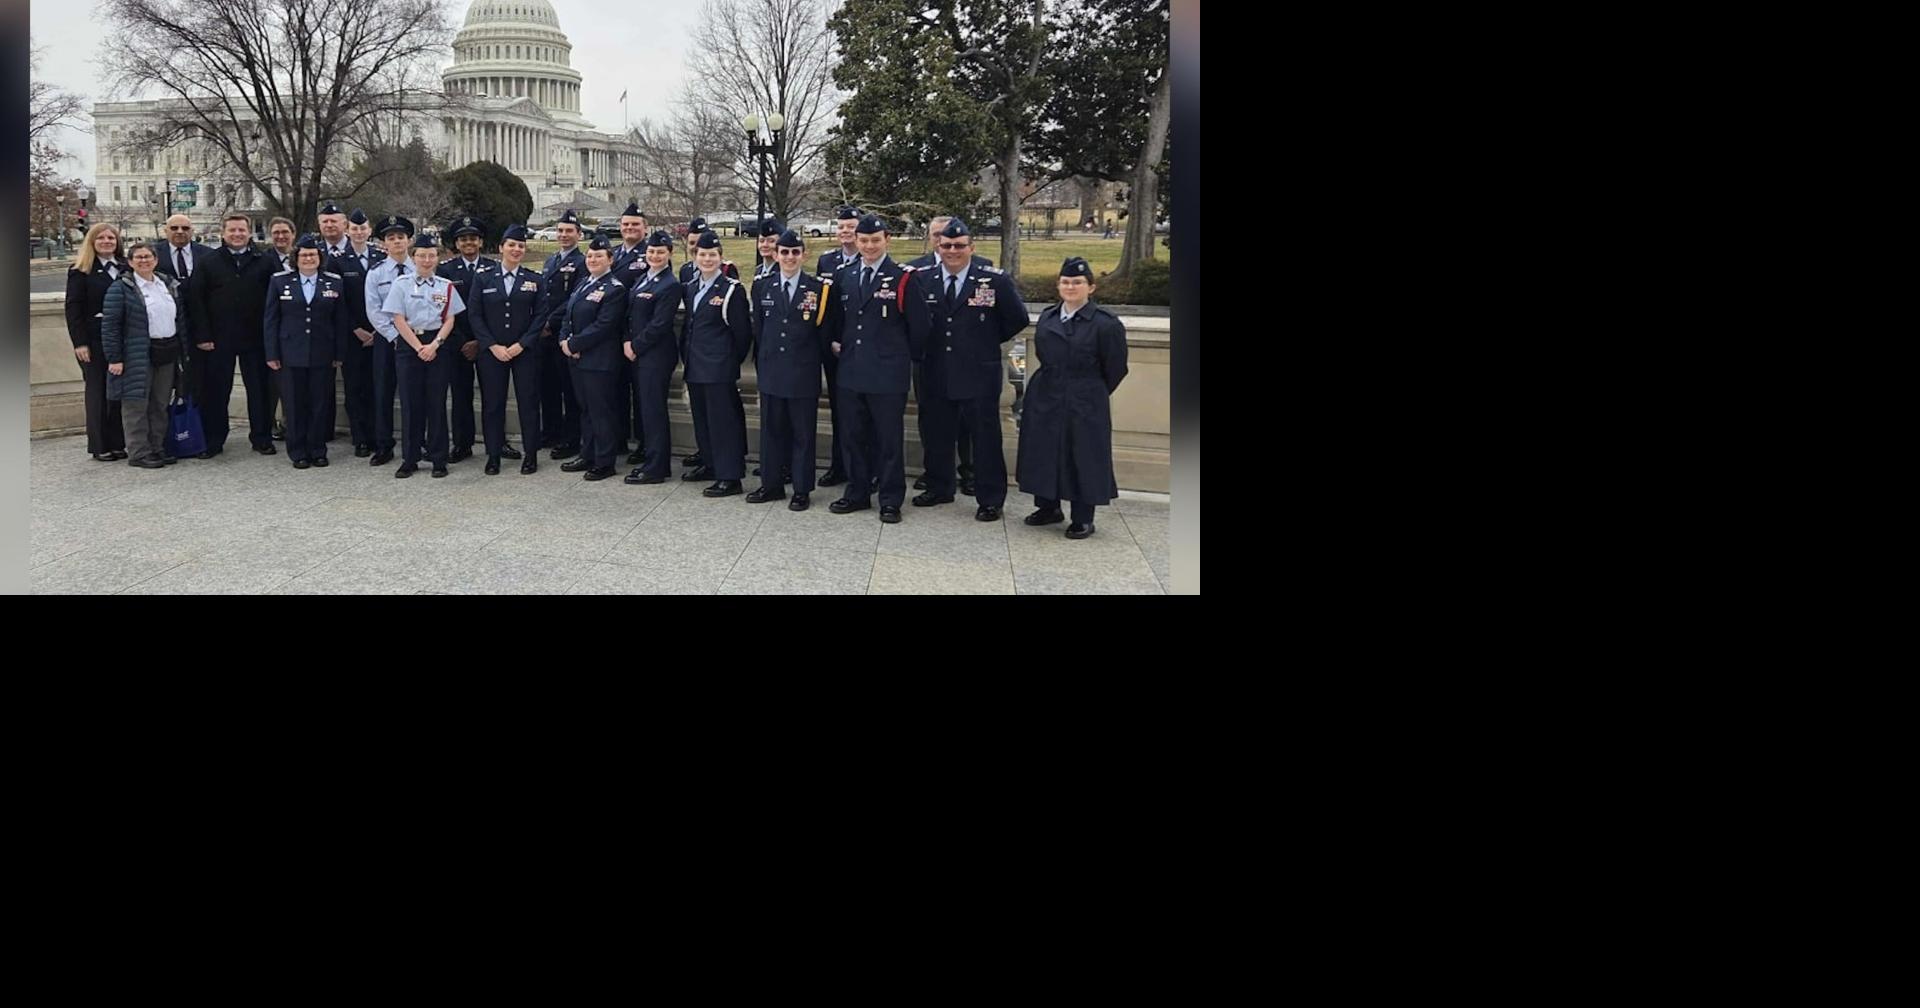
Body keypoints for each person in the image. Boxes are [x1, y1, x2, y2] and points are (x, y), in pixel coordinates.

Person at [912, 218, 1027, 521]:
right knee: (936, 433)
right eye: (947, 245)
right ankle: (939, 487)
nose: (952, 250)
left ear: (971, 248)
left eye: (959, 246)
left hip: (978, 371)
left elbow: (1016, 319)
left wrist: (984, 341)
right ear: (938, 246)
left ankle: (990, 499)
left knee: (985, 437)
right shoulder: (923, 278)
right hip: (935, 370)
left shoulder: (993, 280)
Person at [821, 214, 928, 523]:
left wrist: (900, 356)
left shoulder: (904, 277)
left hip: (887, 372)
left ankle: (890, 499)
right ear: (857, 241)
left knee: (888, 438)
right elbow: (836, 319)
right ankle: (856, 492)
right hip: (852, 369)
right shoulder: (845, 274)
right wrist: (836, 342)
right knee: (852, 435)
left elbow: (920, 327)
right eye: (864, 240)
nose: (868, 246)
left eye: (875, 240)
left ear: (887, 240)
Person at [1015, 257, 1128, 539]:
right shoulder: (1049, 317)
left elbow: (1115, 367)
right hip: (1047, 390)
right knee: (1043, 450)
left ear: (1091, 287)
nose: (1071, 287)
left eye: (1077, 282)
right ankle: (1047, 506)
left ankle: (1083, 517)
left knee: (1084, 454)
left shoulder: (1106, 324)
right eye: (1065, 282)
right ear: (1058, 286)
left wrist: (1090, 390)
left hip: (1085, 394)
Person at [747, 228, 829, 510]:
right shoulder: (762, 286)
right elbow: (758, 328)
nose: (790, 257)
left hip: (802, 372)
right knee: (770, 431)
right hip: (772, 369)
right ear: (776, 254)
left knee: (803, 434)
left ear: (803, 255)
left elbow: (823, 334)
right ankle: (771, 485)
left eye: (795, 252)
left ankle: (802, 489)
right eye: (784, 252)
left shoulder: (818, 289)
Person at [190, 212, 277, 457]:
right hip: (218, 338)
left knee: (260, 391)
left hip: (256, 336)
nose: (237, 234)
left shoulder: (265, 260)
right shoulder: (208, 261)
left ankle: (261, 438)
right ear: (223, 233)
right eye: (232, 230)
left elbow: (275, 299)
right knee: (216, 391)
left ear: (249, 232)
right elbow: (197, 301)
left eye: (241, 230)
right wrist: (203, 335)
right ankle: (214, 440)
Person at [382, 232, 465, 478]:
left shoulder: (446, 286)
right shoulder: (401, 284)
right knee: (410, 404)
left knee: (436, 403)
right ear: (413, 257)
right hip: (410, 346)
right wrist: (418, 346)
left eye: (431, 256)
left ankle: (439, 458)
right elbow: (397, 318)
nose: (426, 260)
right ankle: (410, 458)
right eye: (421, 256)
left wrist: (435, 344)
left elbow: (450, 318)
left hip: (437, 346)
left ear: (437, 258)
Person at [468, 224, 550, 475]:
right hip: (491, 352)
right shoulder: (483, 278)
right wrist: (491, 345)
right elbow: (475, 314)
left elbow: (540, 316)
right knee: (493, 405)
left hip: (523, 352)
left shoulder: (534, 280)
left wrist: (520, 345)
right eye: (511, 245)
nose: (516, 250)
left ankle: (531, 454)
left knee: (528, 403)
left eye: (521, 246)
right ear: (501, 247)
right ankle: (493, 455)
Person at [100, 241, 187, 468]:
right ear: (130, 262)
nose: (144, 261)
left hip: (166, 350)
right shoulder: (121, 288)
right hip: (137, 354)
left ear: (156, 260)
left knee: (159, 404)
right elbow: (110, 326)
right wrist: (115, 358)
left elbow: (180, 320)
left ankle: (157, 448)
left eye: (148, 256)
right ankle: (139, 452)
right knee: (135, 405)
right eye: (138, 257)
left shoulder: (167, 284)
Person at [679, 230, 753, 497]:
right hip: (695, 364)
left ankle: (730, 475)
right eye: (702, 254)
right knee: (702, 421)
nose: (707, 259)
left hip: (719, 367)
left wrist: (729, 362)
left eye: (712, 255)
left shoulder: (732, 289)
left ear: (721, 259)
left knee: (724, 423)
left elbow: (742, 333)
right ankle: (710, 465)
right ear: (695, 256)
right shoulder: (690, 287)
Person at [263, 235, 347, 468]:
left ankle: (318, 449)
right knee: (294, 404)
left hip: (323, 352)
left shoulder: (333, 282)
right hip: (290, 352)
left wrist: (339, 354)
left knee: (320, 404)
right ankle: (298, 451)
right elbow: (271, 320)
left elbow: (340, 320)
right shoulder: (280, 281)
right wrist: (272, 354)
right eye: (304, 255)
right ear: (295, 258)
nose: (309, 258)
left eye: (313, 255)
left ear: (320, 258)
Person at [556, 236, 627, 481]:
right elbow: (568, 315)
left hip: (600, 361)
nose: (593, 259)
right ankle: (588, 454)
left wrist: (575, 344)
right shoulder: (584, 283)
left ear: (610, 259)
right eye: (590, 256)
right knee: (585, 409)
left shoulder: (614, 288)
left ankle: (605, 461)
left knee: (601, 411)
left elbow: (604, 325)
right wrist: (564, 340)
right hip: (577, 359)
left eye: (599, 256)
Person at [621, 229, 682, 485]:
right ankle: (651, 459)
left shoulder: (670, 284)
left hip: (655, 355)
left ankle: (657, 467)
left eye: (660, 251)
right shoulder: (643, 278)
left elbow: (660, 324)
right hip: (637, 352)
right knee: (645, 410)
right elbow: (630, 314)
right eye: (651, 251)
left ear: (669, 254)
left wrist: (635, 345)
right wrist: (627, 341)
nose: (655, 255)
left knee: (654, 411)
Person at [65, 223, 130, 461]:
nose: (106, 241)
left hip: (122, 340)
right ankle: (100, 445)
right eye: (100, 238)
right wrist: (80, 342)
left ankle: (118, 442)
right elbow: (73, 309)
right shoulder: (80, 270)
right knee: (98, 392)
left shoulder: (126, 267)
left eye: (111, 237)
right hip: (93, 341)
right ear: (92, 242)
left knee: (118, 393)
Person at [437, 215, 498, 464]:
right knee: (460, 397)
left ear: (481, 242)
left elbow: (496, 309)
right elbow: (443, 309)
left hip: (487, 343)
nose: (468, 242)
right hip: (457, 344)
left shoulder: (494, 269)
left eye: (473, 238)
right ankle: (462, 444)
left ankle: (497, 442)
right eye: (463, 239)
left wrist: (480, 341)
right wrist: (464, 340)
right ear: (456, 244)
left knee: (492, 397)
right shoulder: (445, 270)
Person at [324, 204, 382, 456]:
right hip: (353, 335)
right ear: (348, 230)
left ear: (369, 231)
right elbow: (338, 301)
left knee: (379, 387)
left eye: (363, 228)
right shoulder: (336, 261)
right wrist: (356, 328)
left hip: (380, 333)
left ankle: (379, 435)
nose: (359, 232)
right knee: (354, 389)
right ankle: (360, 438)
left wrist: (379, 330)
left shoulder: (381, 258)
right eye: (355, 228)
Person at [814, 205, 862, 488]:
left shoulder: (868, 258)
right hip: (833, 348)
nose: (845, 232)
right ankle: (839, 465)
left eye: (851, 227)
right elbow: (825, 307)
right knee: (838, 409)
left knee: (863, 411)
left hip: (861, 347)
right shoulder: (827, 261)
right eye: (841, 227)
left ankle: (865, 467)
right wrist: (830, 339)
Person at [362, 215, 415, 466]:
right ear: (384, 243)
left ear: (409, 240)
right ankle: (384, 445)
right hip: (387, 339)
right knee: (383, 392)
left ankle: (416, 442)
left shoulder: (422, 267)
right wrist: (395, 336)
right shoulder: (376, 273)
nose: (396, 242)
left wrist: (412, 337)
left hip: (417, 340)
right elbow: (373, 310)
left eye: (401, 237)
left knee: (415, 393)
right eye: (391, 238)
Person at [540, 209, 587, 459]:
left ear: (579, 234)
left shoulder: (582, 263)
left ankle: (571, 438)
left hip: (564, 334)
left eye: (569, 231)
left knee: (569, 390)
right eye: (560, 231)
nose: (563, 235)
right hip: (545, 335)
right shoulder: (551, 261)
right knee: (548, 387)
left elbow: (573, 299)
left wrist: (550, 322)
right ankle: (550, 431)